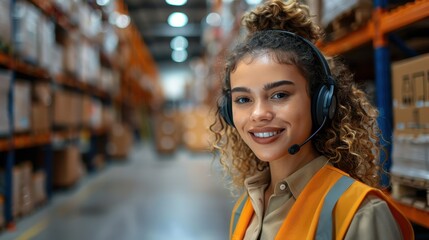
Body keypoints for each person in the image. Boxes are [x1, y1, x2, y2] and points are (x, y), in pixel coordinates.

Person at [210, 0, 414, 239]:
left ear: (321, 102)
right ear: (228, 111)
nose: (258, 114)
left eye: (279, 95)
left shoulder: (360, 214)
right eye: (243, 99)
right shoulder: (245, 209)